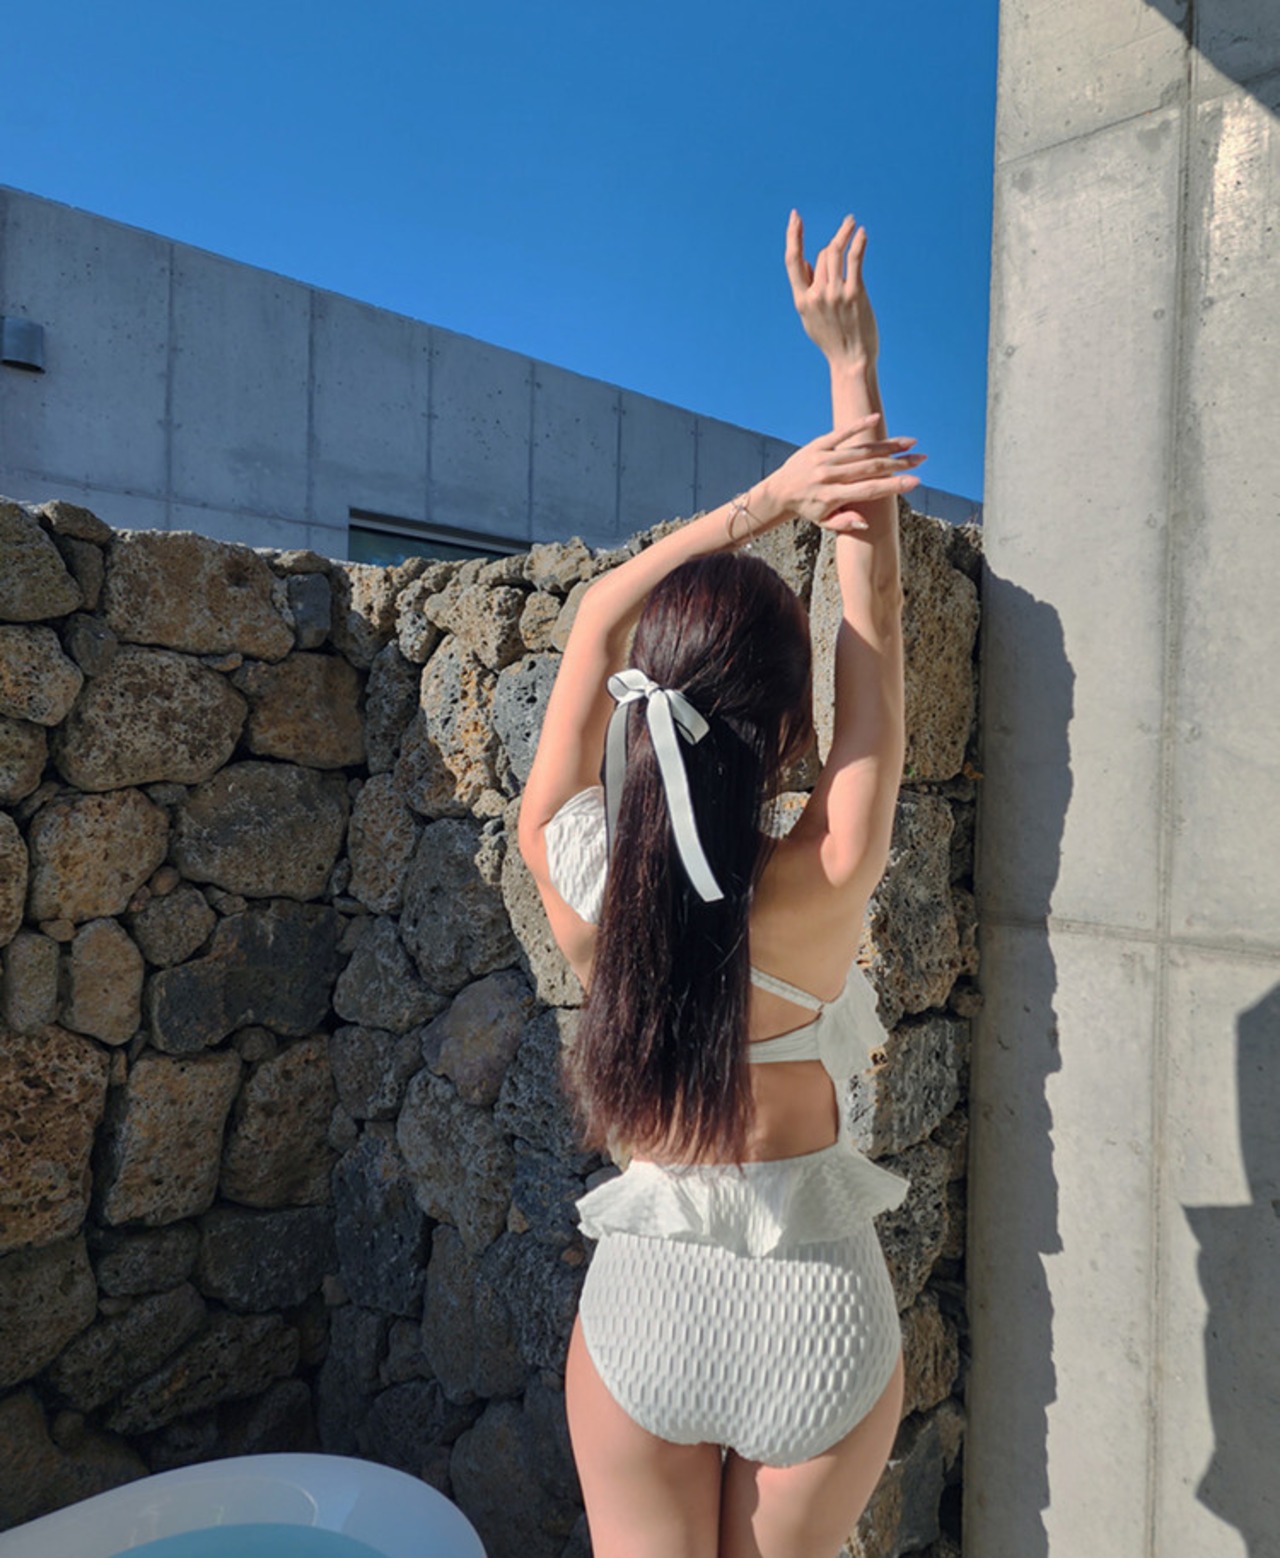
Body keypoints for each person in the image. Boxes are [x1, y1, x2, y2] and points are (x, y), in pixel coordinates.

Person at [518, 210, 923, 1558]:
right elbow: (876, 626)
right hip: (818, 1309)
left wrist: (763, 500)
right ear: (787, 729)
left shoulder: (577, 869)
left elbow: (594, 619)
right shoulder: (828, 869)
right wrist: (849, 372)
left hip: (649, 1310)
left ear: (644, 710)